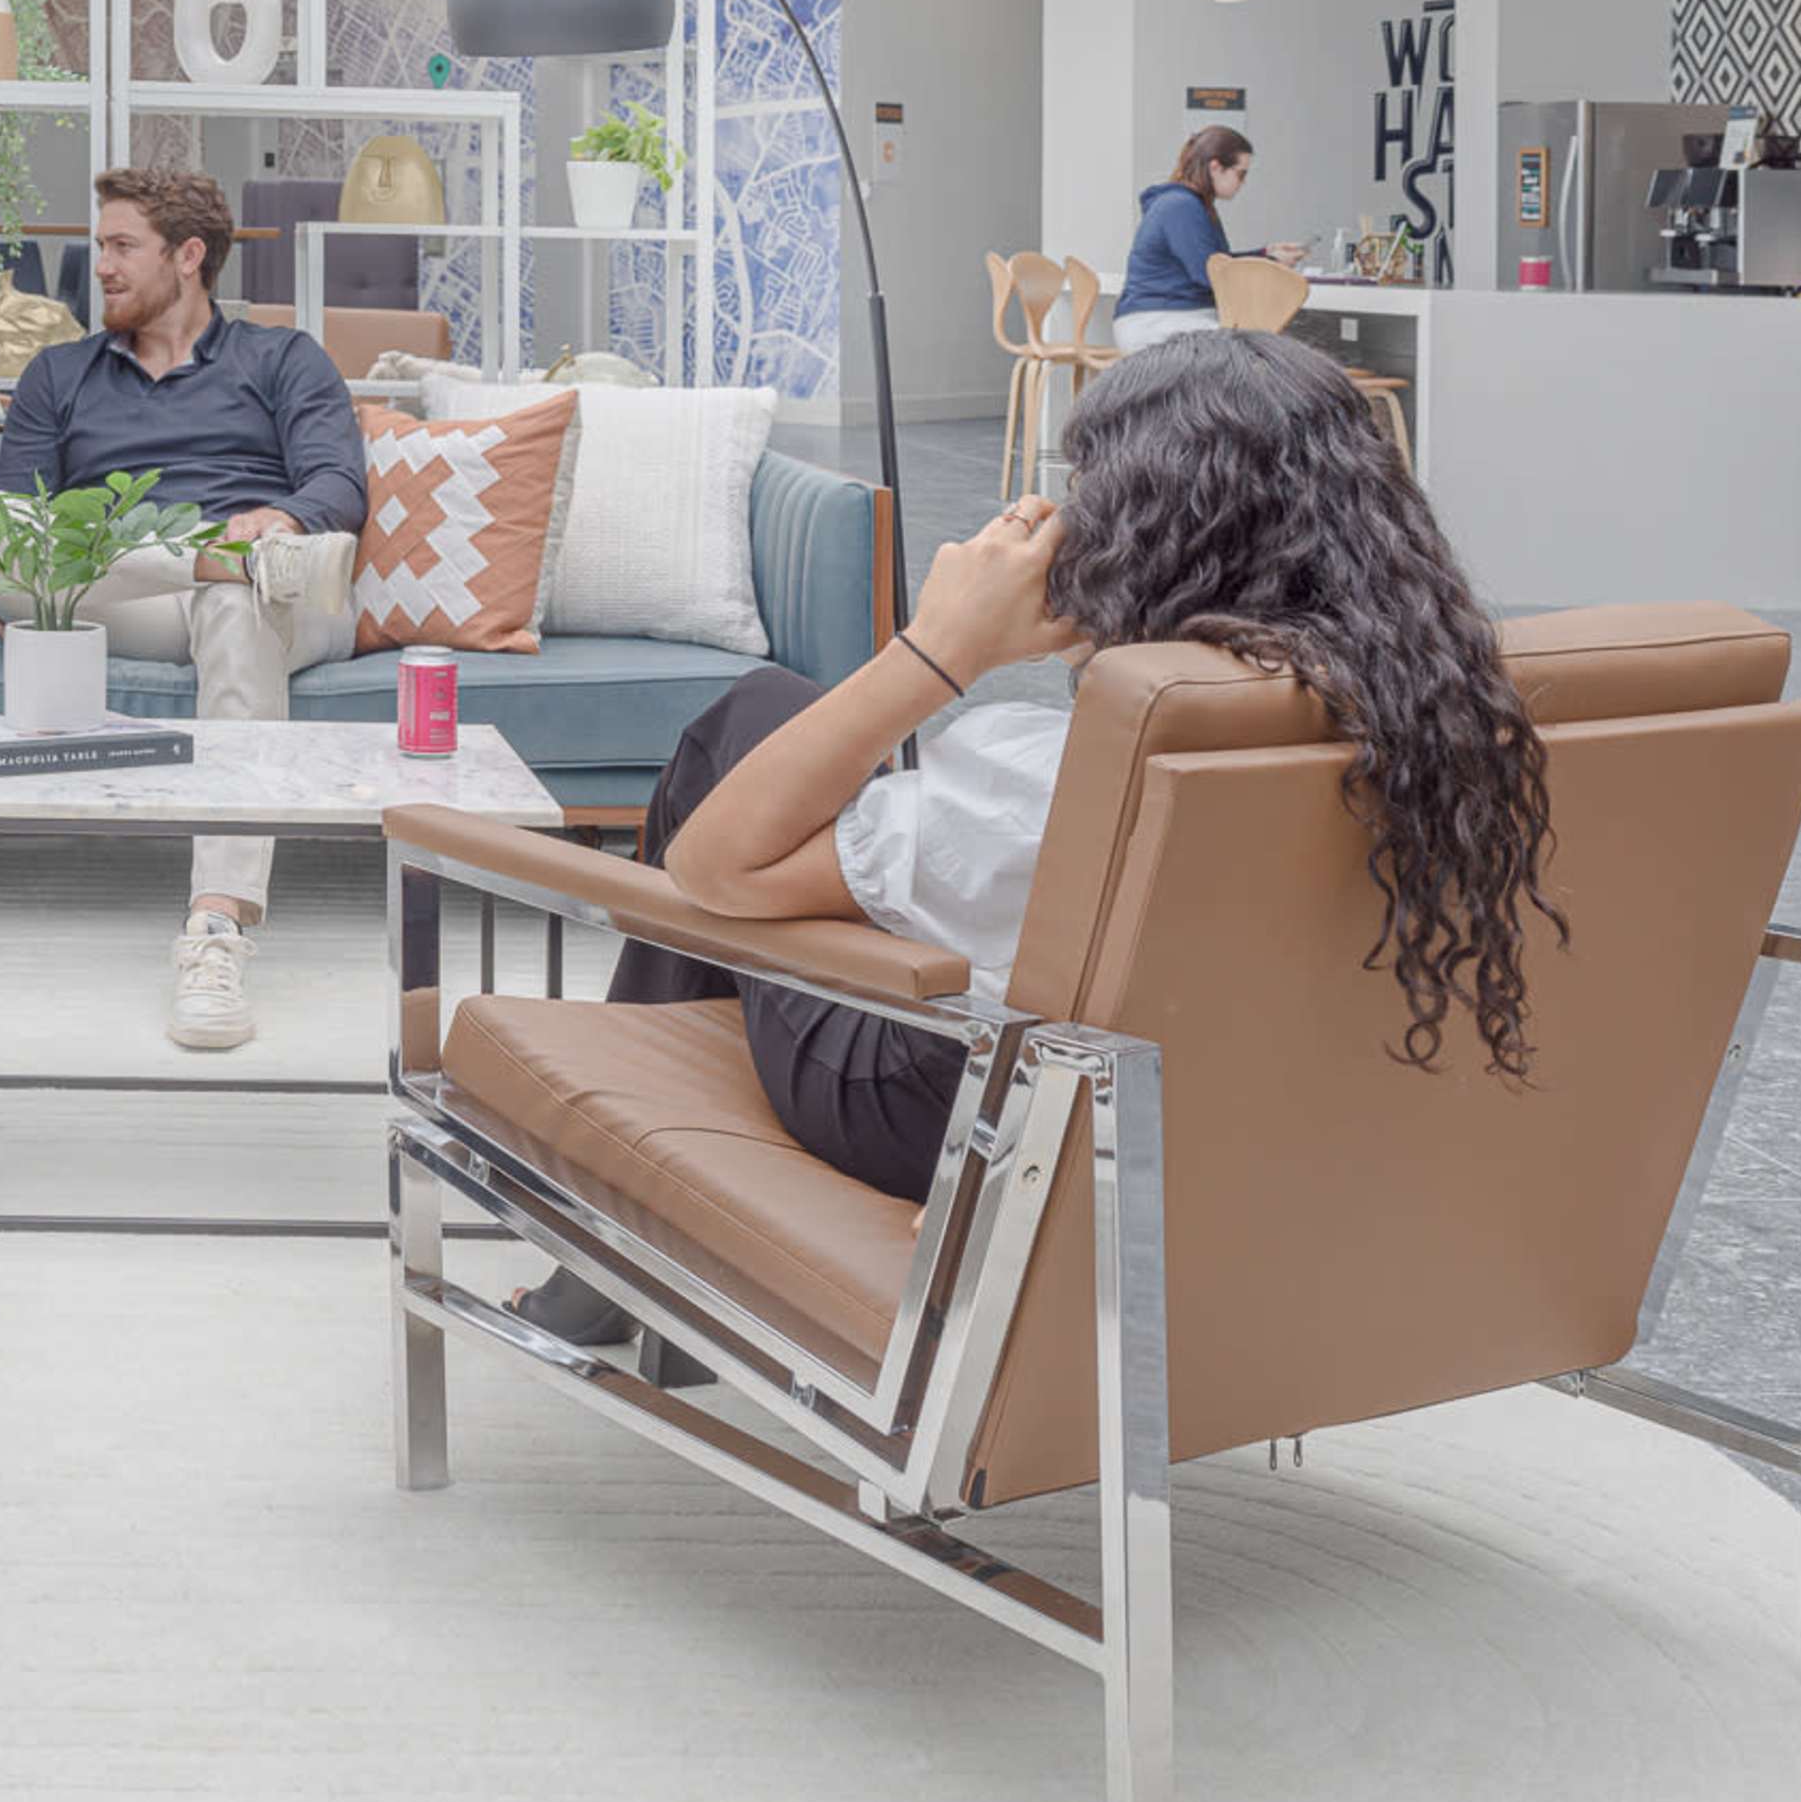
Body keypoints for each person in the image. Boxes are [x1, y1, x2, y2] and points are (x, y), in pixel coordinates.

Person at [510, 329, 1562, 1348]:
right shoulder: (1441, 732)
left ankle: (606, 1239)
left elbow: (716, 868)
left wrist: (942, 647)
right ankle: (616, 1248)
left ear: (1141, 534)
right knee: (795, 744)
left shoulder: (1052, 773)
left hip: (940, 1115)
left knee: (751, 719)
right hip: (1253, 1137)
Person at [0, 167, 368, 1050]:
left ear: (189, 257)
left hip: (266, 593)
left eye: (122, 247)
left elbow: (339, 484)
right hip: (136, 591)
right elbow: (14, 520)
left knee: (234, 593)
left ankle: (217, 928)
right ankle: (198, 559)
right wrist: (38, 579)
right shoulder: (59, 374)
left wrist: (280, 516)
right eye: (101, 245)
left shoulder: (281, 358)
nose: (101, 266)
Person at [1111, 124, 1305, 352]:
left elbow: (1215, 262)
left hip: (1165, 318)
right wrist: (1271, 263)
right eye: (1240, 174)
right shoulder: (1181, 207)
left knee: (1258, 354)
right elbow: (1210, 273)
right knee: (1258, 356)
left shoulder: (1185, 204)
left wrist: (1265, 255)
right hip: (1162, 321)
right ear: (1215, 168)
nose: (1243, 182)